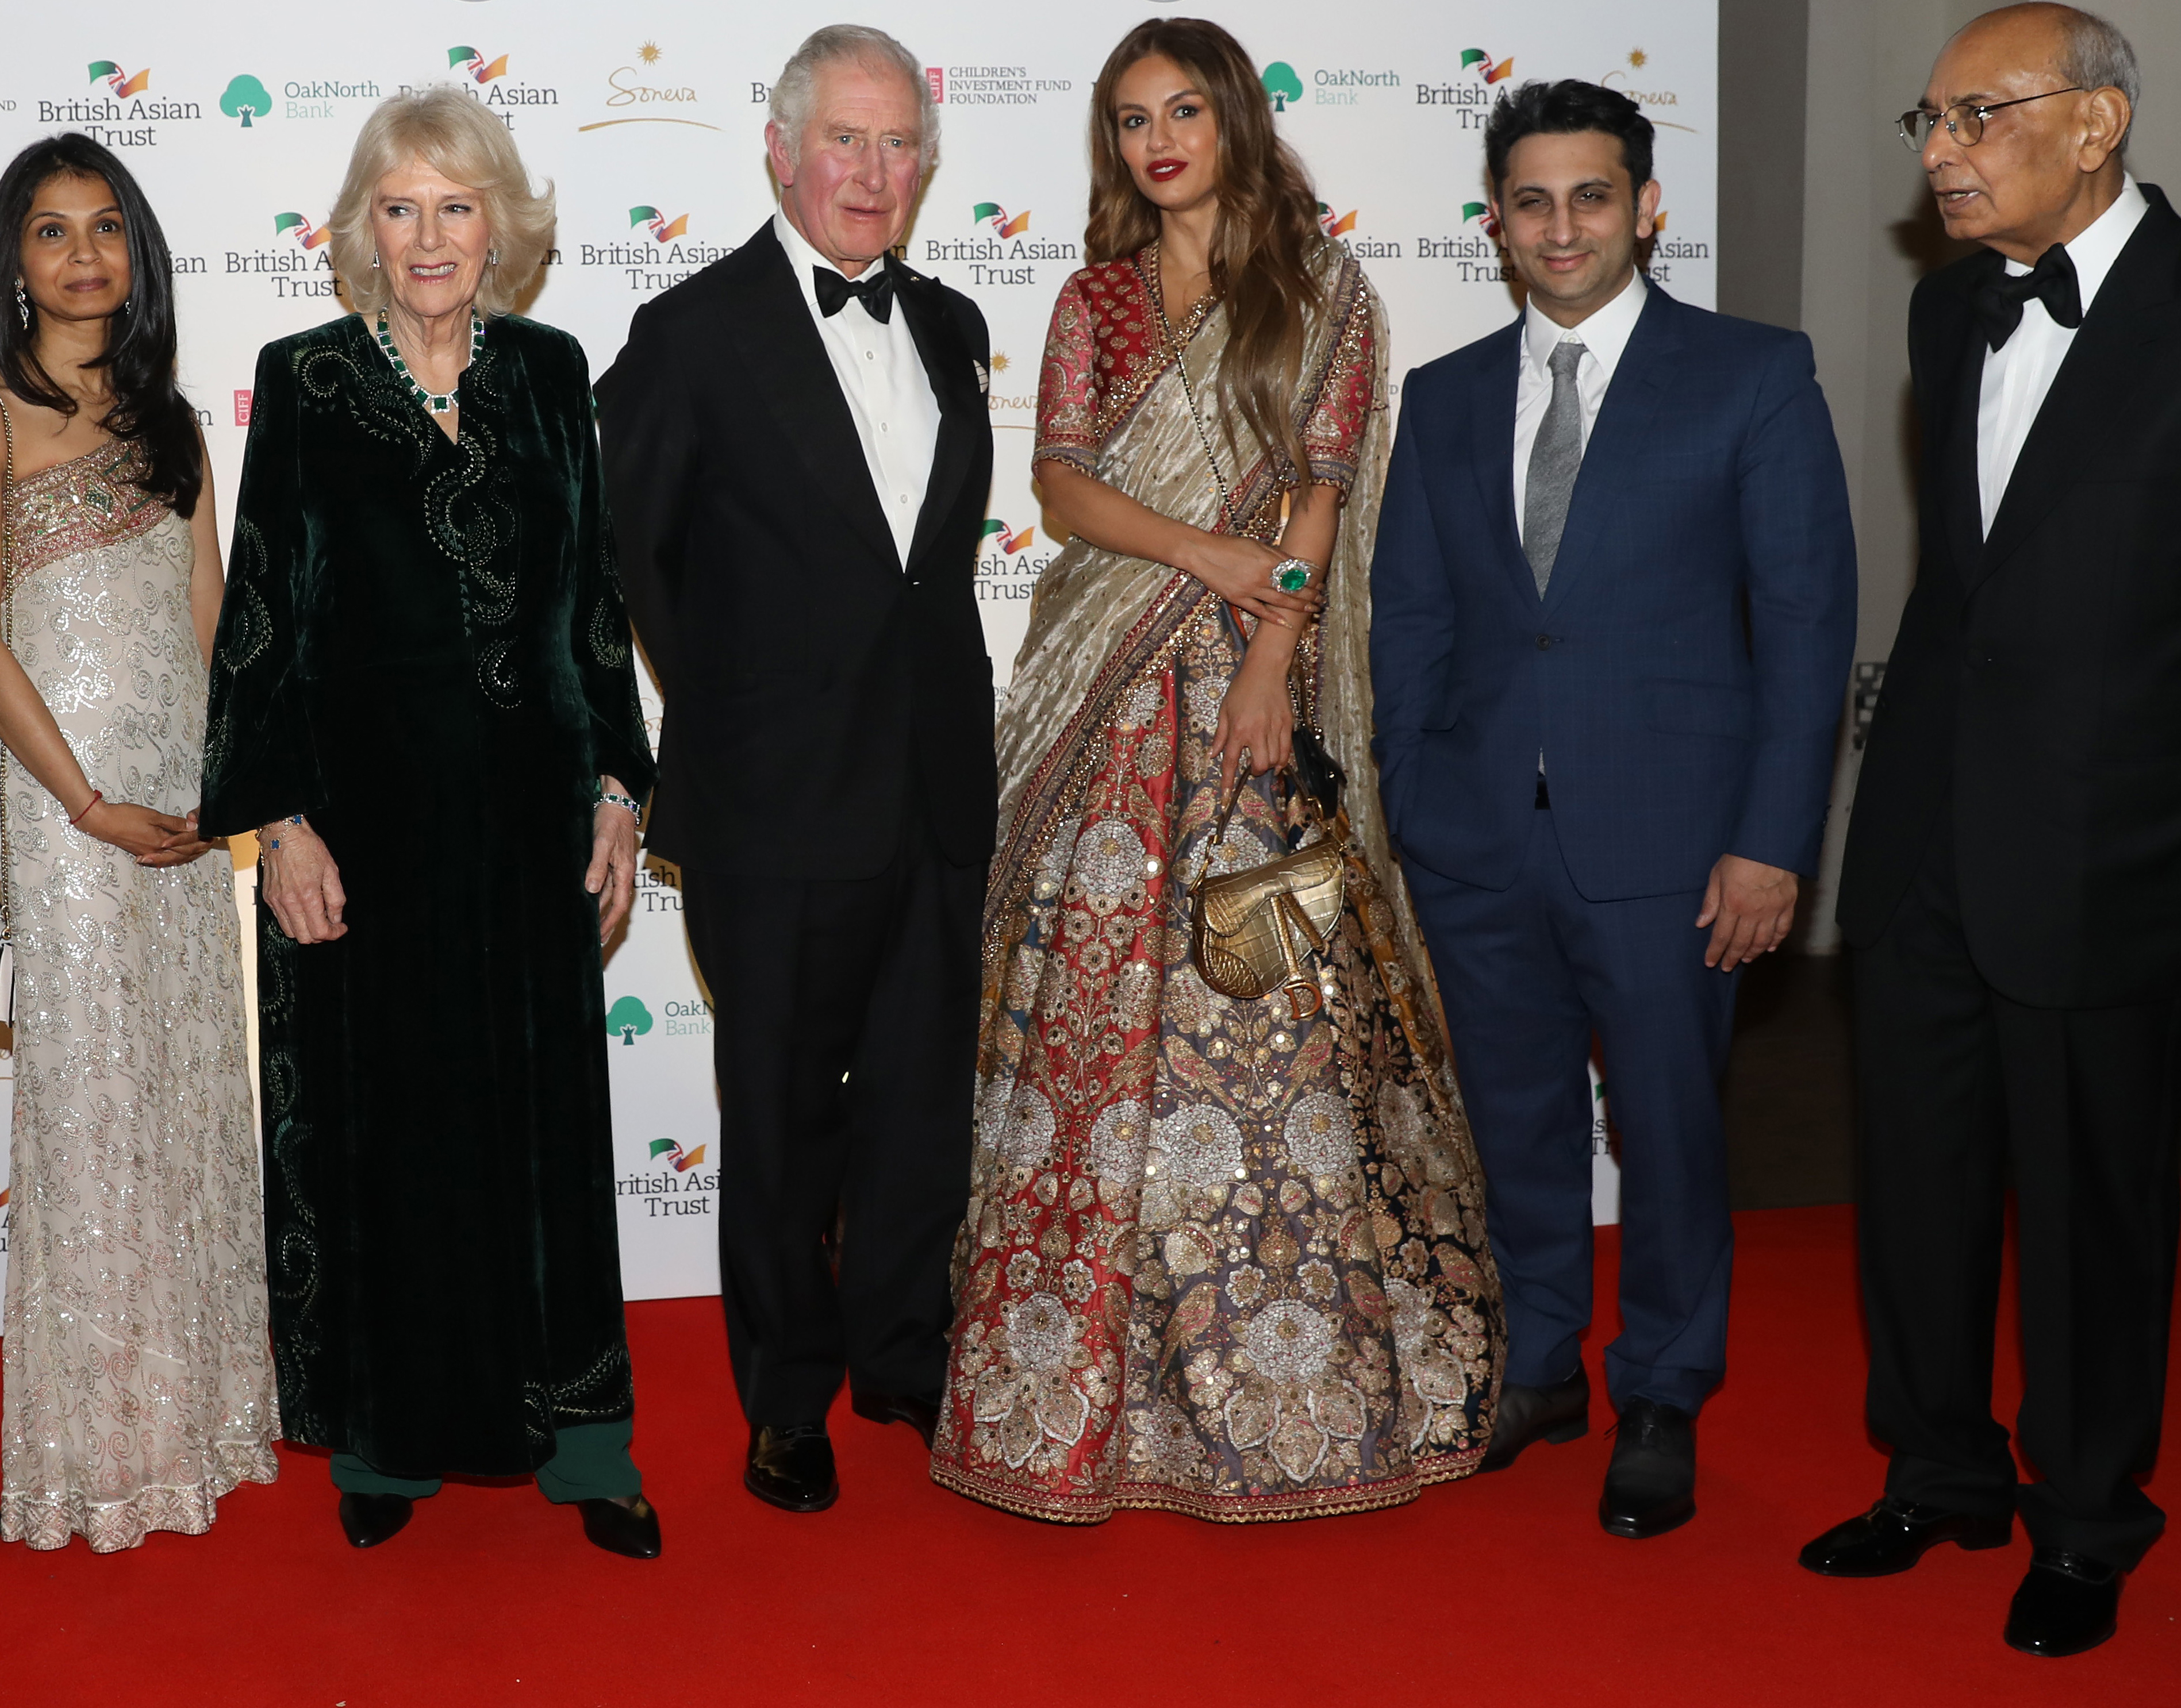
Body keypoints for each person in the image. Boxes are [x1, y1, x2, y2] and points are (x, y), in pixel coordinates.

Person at [930, 17, 1501, 1526]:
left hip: (1256, 721)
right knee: (1082, 1043)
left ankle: (1292, 1399)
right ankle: (1063, 1400)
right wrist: (1203, 559)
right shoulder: (1093, 300)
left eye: (1183, 108)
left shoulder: (1320, 294)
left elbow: (1322, 482)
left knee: (1277, 1032)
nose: (1156, 140)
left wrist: (1267, 649)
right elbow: (1057, 484)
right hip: (1101, 715)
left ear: (1236, 118)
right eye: (1129, 119)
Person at [1369, 82, 1856, 1540]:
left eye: (1592, 196)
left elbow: (1807, 621)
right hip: (1476, 839)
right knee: (1511, 1119)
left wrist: (1772, 839)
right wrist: (1413, 801)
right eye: (1531, 202)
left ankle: (1662, 1387)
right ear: (1498, 223)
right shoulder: (1443, 394)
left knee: (1667, 1126)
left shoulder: (1753, 376)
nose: (1561, 226)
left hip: (1674, 842)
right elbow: (1411, 619)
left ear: (1647, 206)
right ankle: (1538, 1363)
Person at [197, 86, 661, 1561]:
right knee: (386, 1134)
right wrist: (280, 827)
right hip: (366, 840)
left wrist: (616, 793)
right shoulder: (306, 380)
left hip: (529, 831)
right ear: (362, 229)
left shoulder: (549, 370)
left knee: (544, 1137)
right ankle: (390, 1444)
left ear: (499, 224)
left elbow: (592, 604)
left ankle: (586, 1446)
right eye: (398, 208)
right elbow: (261, 620)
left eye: (455, 207)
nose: (428, 236)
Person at [1809, 4, 2170, 1659]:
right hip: (1926, 838)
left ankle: (2085, 1521)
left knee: (2090, 1207)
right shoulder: (1945, 308)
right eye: (1927, 122)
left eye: (1974, 116)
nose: (1938, 152)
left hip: (2110, 846)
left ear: (2092, 126)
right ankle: (1935, 1469)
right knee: (1917, 1174)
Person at [598, 23, 993, 1517]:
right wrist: (729, 706)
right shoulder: (690, 333)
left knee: (916, 1097)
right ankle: (784, 1399)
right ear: (778, 151)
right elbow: (625, 549)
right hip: (771, 802)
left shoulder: (952, 324)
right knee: (774, 1111)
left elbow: (922, 574)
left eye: (899, 146)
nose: (872, 172)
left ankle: (901, 1349)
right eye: (845, 140)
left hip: (936, 786)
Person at [0, 133, 277, 1551]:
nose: (84, 255)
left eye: (108, 229)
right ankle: (103, 1443)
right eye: (54, 230)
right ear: (14, 257)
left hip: (182, 810)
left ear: (138, 255)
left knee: (190, 1090)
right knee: (93, 1109)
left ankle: (203, 1413)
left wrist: (226, 789)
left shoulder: (173, 421)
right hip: (69, 812)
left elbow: (212, 619)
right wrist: (80, 803)